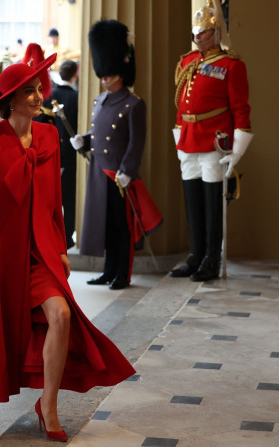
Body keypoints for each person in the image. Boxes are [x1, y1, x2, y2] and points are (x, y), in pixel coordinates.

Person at [0, 43, 135, 444]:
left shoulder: (47, 136)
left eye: (38, 89)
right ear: (9, 101)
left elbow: (54, 202)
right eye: (28, 91)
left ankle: (48, 406)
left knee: (60, 314)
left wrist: (61, 246)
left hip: (40, 253)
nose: (39, 96)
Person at [70, 20, 162, 290]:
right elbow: (97, 135)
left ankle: (122, 273)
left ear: (119, 72)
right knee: (106, 225)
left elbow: (136, 142)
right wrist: (83, 141)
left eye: (107, 74)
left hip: (119, 175)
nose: (103, 78)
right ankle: (108, 270)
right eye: (102, 74)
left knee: (123, 228)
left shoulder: (134, 104)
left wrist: (127, 172)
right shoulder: (100, 101)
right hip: (100, 172)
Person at [170, 0, 252, 281]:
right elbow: (180, 104)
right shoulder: (187, 61)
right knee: (192, 199)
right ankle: (195, 254)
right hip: (189, 138)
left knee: (212, 202)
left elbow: (241, 109)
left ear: (215, 33)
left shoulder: (231, 64)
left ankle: (211, 259)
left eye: (203, 32)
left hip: (215, 140)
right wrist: (179, 136)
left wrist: (237, 151)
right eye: (196, 32)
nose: (198, 36)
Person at [37, 59, 80, 248]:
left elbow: (41, 122)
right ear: (74, 75)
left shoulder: (49, 95)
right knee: (69, 197)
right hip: (70, 155)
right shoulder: (78, 97)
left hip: (51, 153)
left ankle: (48, 233)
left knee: (49, 197)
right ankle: (68, 237)